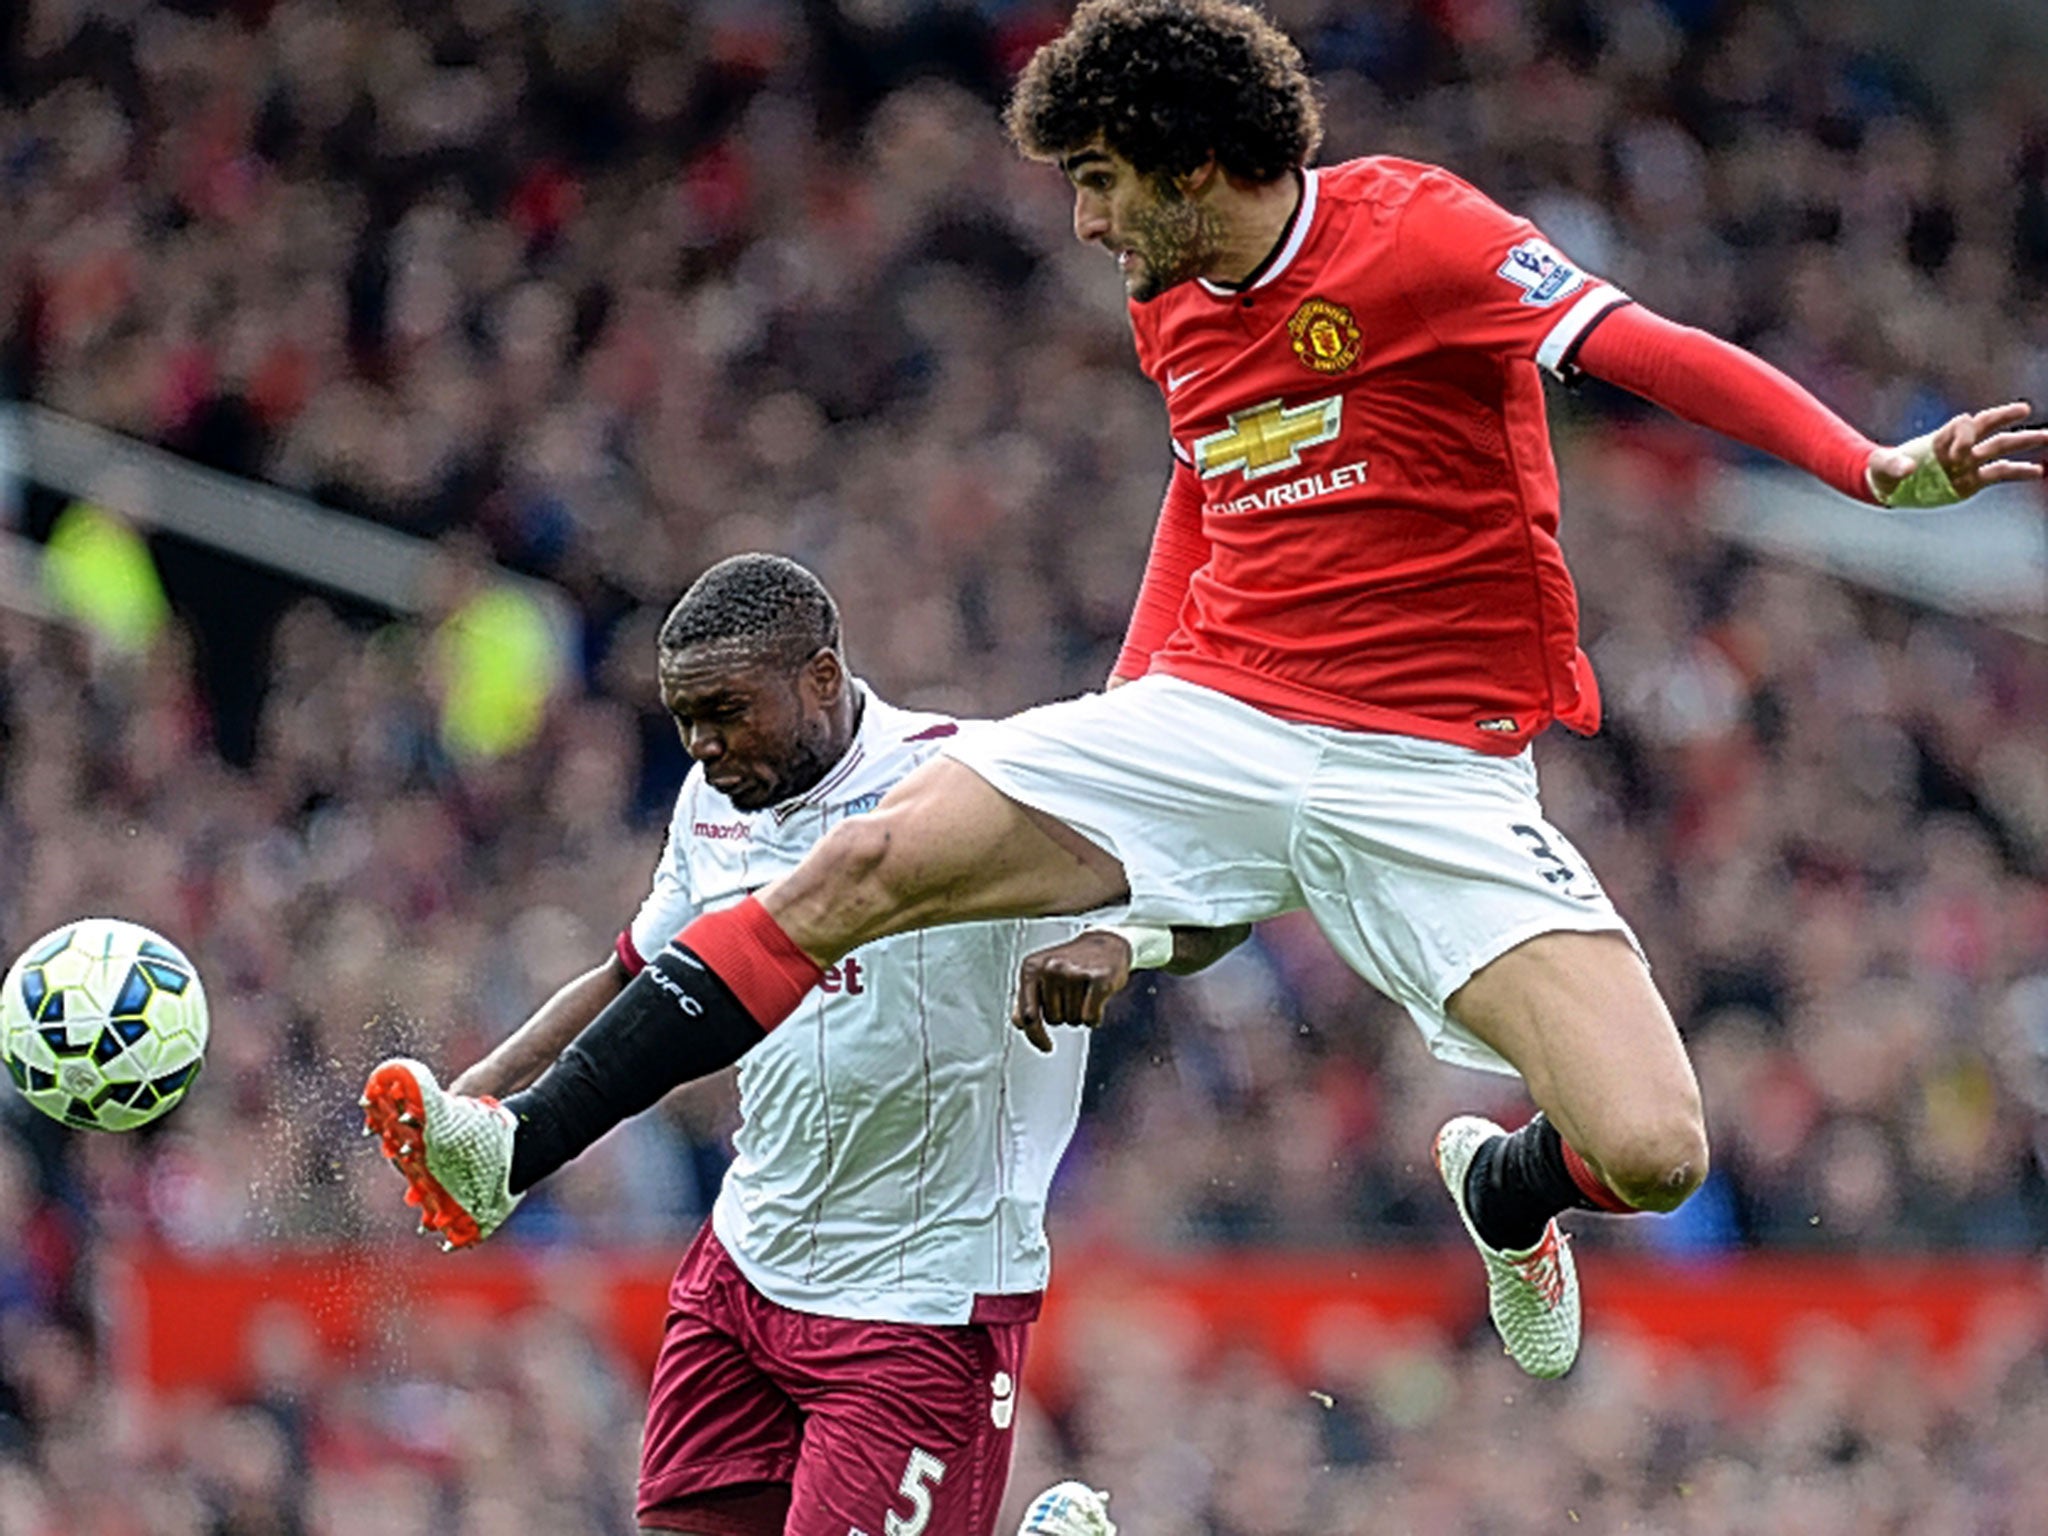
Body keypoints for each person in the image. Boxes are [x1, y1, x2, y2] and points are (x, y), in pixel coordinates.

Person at [367, 0, 2048, 1384]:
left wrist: (1864, 464)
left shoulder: (1418, 237)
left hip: (1430, 766)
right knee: (859, 868)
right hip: (1218, 715)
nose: (1086, 221)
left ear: (1190, 159)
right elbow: (1202, 490)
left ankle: (1500, 1182)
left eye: (1100, 180)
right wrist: (1122, 790)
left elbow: (1648, 351)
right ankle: (505, 1149)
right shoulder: (1166, 304)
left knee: (1652, 1145)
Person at [361, 554, 1222, 1536]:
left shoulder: (976, 783)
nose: (703, 747)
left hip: (918, 1308)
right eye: (685, 719)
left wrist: (1119, 940)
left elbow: (1209, 891)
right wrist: (479, 1103)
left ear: (820, 678)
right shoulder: (712, 806)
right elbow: (634, 976)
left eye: (726, 712)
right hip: (743, 1268)